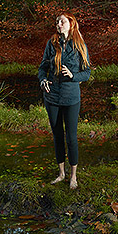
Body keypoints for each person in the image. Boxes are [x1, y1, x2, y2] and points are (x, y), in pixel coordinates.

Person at [38, 12, 91, 190]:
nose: (58, 24)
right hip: (52, 96)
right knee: (57, 136)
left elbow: (87, 73)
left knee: (71, 138)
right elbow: (42, 67)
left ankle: (73, 176)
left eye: (62, 21)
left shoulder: (79, 45)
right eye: (57, 21)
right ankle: (61, 174)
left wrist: (73, 75)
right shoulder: (51, 43)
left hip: (71, 97)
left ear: (71, 23)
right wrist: (42, 80)